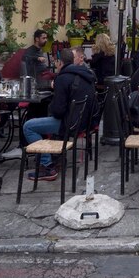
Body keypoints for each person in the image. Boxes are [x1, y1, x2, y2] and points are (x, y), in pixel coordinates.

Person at [23, 48, 97, 181]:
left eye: (55, 62)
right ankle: (52, 158)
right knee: (43, 120)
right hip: (85, 121)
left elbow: (58, 111)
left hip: (70, 124)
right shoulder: (86, 73)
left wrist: (52, 102)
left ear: (59, 62)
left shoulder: (63, 78)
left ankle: (47, 165)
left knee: (28, 126)